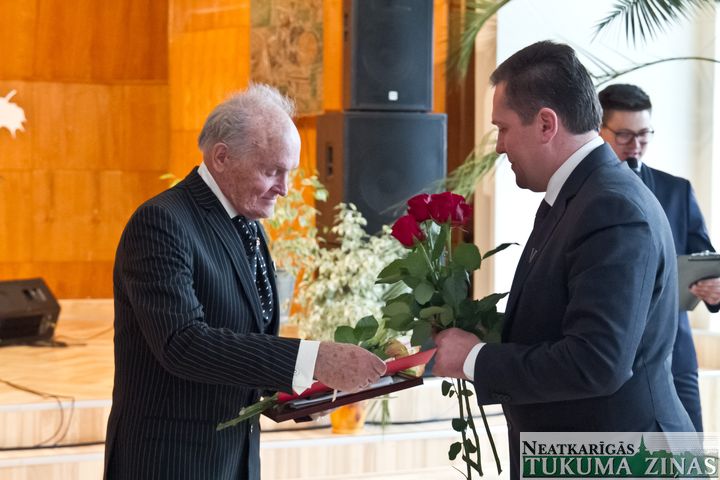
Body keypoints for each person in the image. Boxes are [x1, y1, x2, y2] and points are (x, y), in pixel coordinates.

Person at [431, 41, 694, 479]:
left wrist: (474, 359)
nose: (499, 147)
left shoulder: (611, 206)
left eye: (503, 128)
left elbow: (597, 362)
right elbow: (560, 321)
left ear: (546, 124)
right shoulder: (581, 195)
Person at [103, 84, 387, 480]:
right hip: (169, 461)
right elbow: (183, 344)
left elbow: (240, 345)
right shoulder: (161, 222)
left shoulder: (247, 223)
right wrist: (312, 359)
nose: (284, 188)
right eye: (271, 171)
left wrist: (302, 392)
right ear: (221, 157)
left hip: (234, 461)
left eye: (288, 172)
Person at [598, 83, 720, 432]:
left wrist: (715, 289)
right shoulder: (582, 197)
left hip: (675, 355)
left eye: (644, 134)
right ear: (599, 130)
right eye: (624, 135)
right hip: (610, 358)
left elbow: (704, 258)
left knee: (689, 453)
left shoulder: (677, 191)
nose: (635, 146)